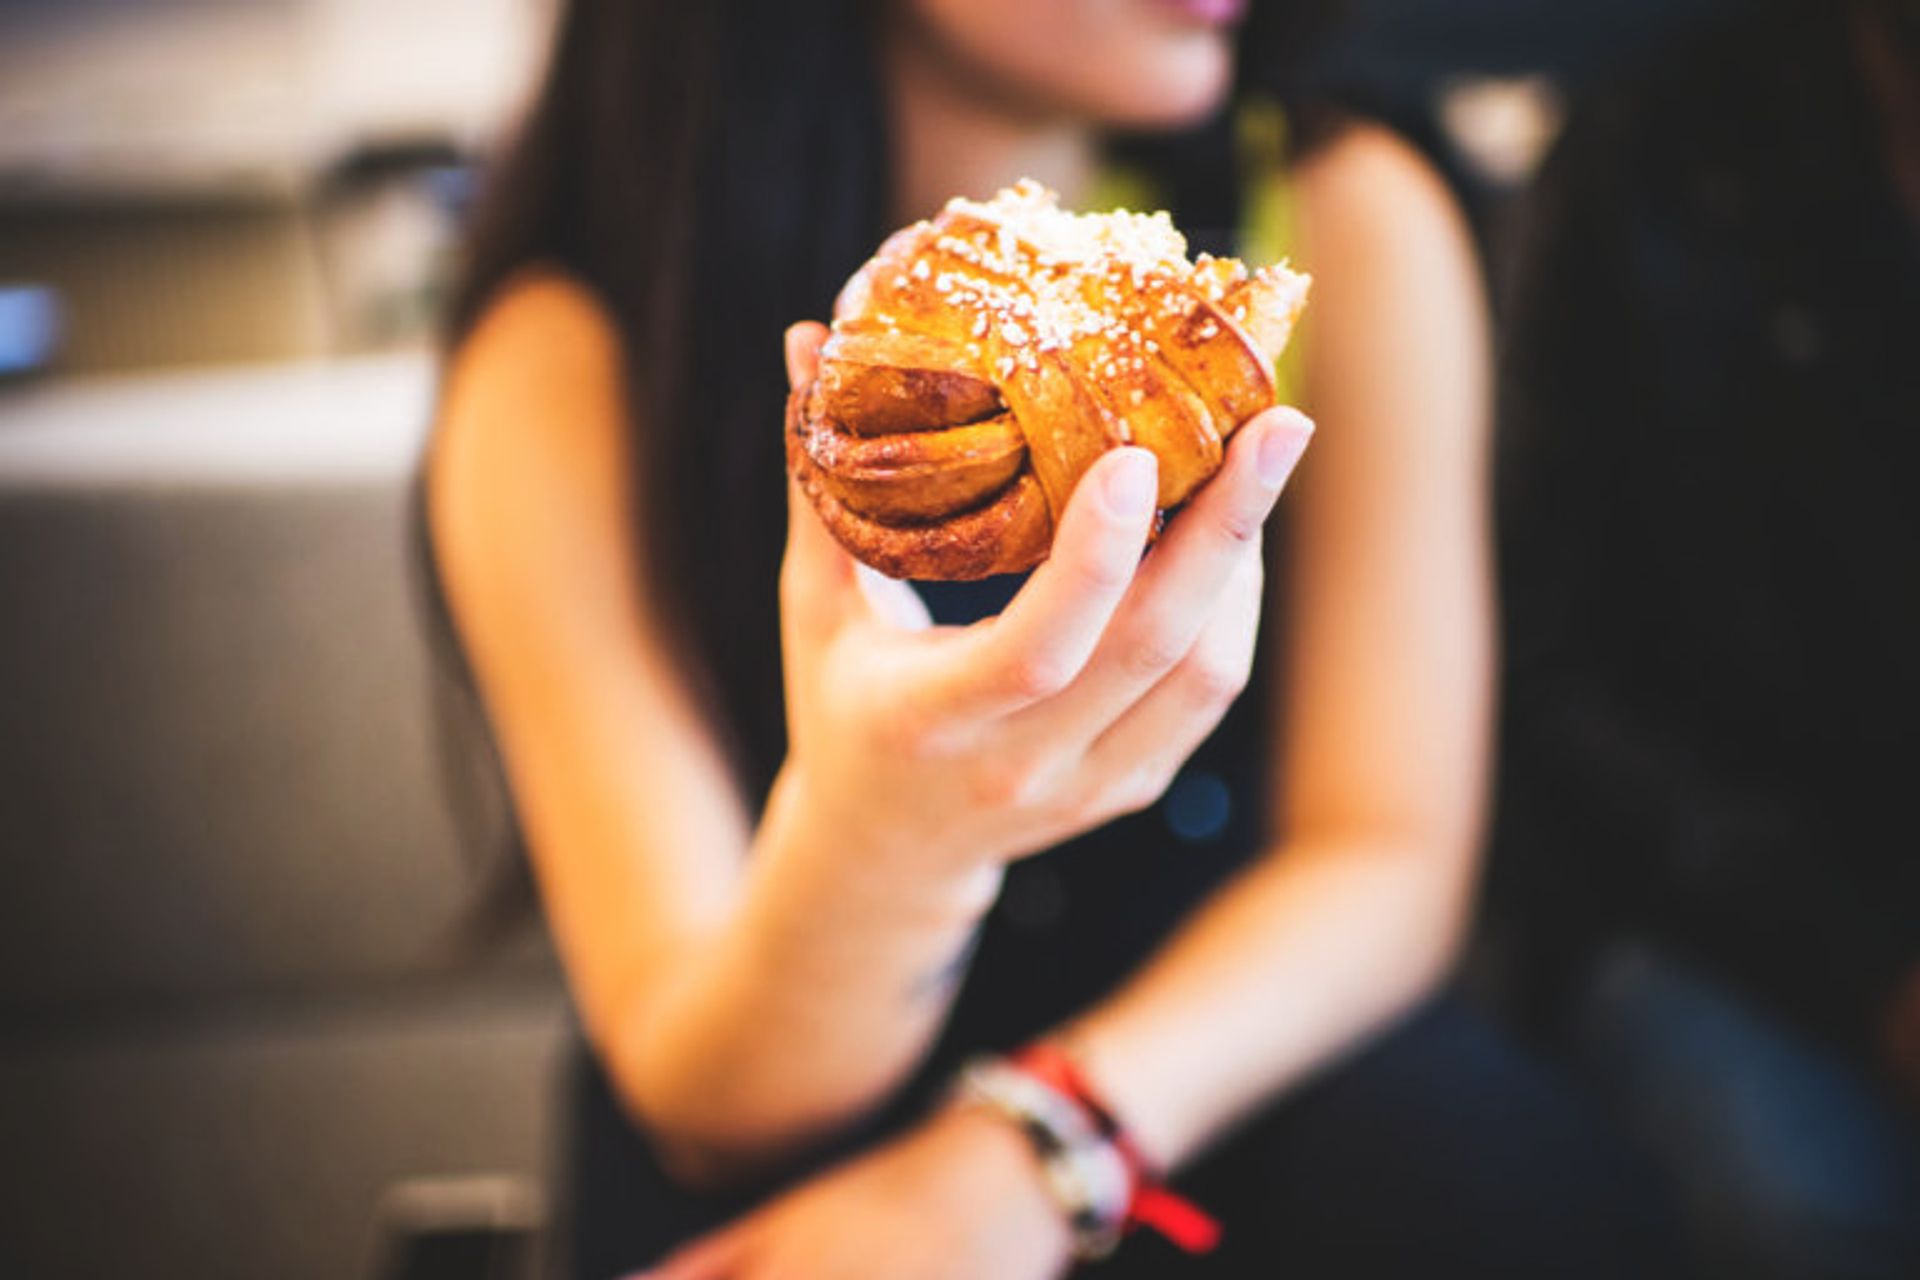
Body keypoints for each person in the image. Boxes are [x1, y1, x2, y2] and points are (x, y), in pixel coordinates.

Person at [424, 1, 1671, 1276]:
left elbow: (1386, 855)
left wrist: (1033, 1152)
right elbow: (704, 1098)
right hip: (803, 1073)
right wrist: (886, 847)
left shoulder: (1335, 217)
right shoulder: (568, 364)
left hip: (1230, 1041)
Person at [1493, 1, 1920, 1276]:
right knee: (1806, 1210)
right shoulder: (1653, 164)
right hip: (1728, 911)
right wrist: (1874, 975)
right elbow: (1555, 677)